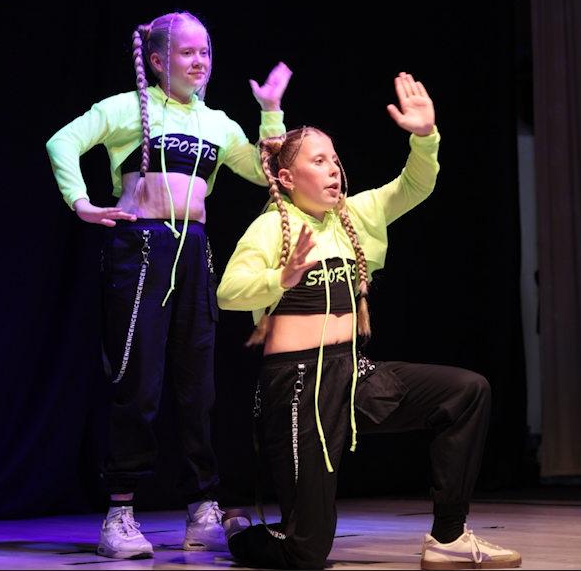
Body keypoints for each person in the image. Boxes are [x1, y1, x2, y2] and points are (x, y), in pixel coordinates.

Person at [216, 73, 521, 569]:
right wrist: (281, 277)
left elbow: (414, 185)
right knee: (306, 550)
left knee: (466, 391)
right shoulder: (271, 227)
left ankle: (448, 538)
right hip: (297, 385)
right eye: (319, 161)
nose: (333, 169)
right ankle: (237, 533)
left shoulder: (356, 215)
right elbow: (228, 294)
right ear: (287, 178)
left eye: (335, 160)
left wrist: (425, 137)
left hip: (351, 373)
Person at [45, 11, 292, 560]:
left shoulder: (218, 123)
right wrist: (81, 203)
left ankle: (202, 508)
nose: (199, 61)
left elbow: (269, 174)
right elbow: (63, 142)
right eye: (187, 52)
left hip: (194, 251)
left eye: (205, 51)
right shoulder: (126, 108)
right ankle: (120, 513)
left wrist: (271, 111)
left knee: (197, 388)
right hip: (141, 251)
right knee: (139, 384)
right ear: (158, 61)